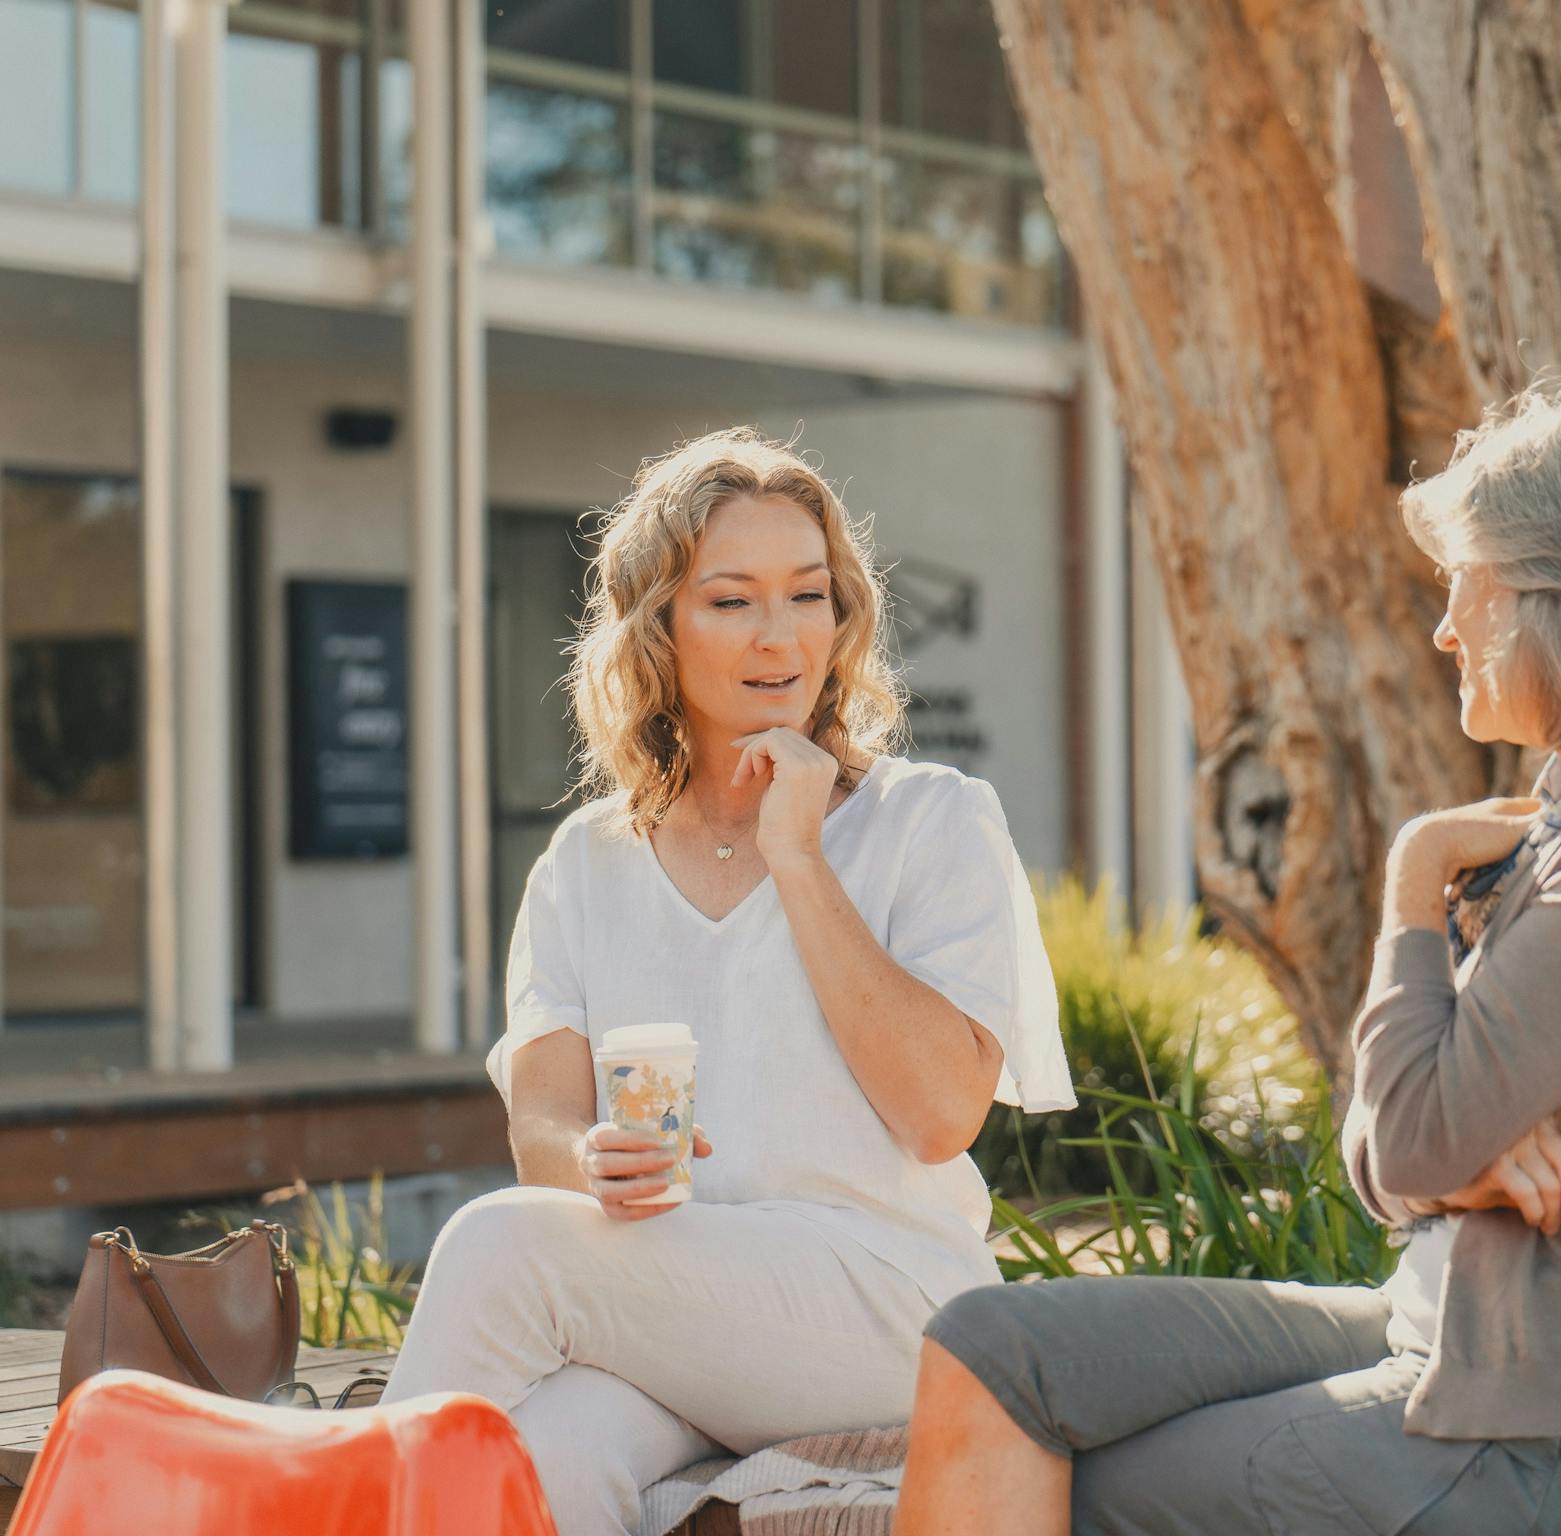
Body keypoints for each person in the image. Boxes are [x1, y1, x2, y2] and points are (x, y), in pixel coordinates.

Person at [894, 383, 1561, 1536]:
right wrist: (1460, 1155)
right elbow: (1402, 1144)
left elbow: (1406, 1138)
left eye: (1462, 584)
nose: (1444, 627)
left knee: (1066, 1492)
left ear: (1554, 594)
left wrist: (1413, 873)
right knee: (992, 1346)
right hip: (1453, 1331)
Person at [381, 428, 1075, 1535]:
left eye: (808, 596)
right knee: (537, 1463)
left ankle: (316, 1503)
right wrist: (590, 1162)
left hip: (892, 1311)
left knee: (496, 1243)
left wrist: (799, 856)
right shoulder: (586, 862)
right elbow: (542, 1135)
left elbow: (942, 1115)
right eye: (730, 601)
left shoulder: (929, 819)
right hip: (675, 1306)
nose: (779, 638)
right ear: (656, 628)